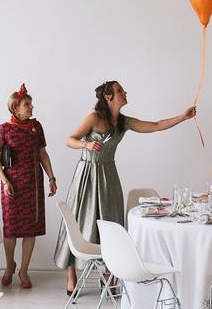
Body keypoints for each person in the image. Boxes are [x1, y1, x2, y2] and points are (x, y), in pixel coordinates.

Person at [54, 80, 197, 295]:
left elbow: (156, 125)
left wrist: (183, 117)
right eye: (120, 91)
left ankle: (108, 273)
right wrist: (86, 144)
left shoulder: (123, 122)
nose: (124, 92)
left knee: (110, 222)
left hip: (109, 176)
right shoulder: (94, 117)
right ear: (108, 97)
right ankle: (71, 273)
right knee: (80, 220)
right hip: (87, 174)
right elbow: (69, 140)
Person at [0, 84, 58, 289]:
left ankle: (24, 270)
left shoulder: (36, 127)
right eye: (27, 104)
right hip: (12, 186)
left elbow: (42, 154)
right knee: (11, 230)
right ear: (15, 108)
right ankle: (8, 266)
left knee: (30, 230)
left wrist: (52, 177)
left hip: (33, 185)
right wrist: (5, 181)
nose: (31, 108)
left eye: (31, 104)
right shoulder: (4, 129)